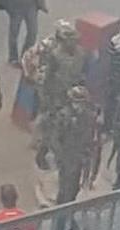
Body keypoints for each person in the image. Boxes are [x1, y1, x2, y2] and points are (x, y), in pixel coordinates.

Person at [33, 20, 87, 171]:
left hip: (73, 95)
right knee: (52, 129)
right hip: (57, 97)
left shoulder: (81, 54)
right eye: (67, 40)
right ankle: (41, 155)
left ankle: (62, 156)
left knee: (68, 128)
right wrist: (46, 99)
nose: (70, 43)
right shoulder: (55, 55)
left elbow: (82, 74)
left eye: (73, 40)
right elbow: (48, 77)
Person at [53, 86, 99, 230]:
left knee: (74, 190)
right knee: (65, 192)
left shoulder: (87, 116)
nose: (80, 105)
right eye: (77, 102)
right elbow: (55, 140)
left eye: (82, 102)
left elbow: (90, 137)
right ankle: (59, 228)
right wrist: (61, 159)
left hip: (80, 158)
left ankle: (69, 217)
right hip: (67, 159)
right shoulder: (64, 116)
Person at [0, 0, 48, 66]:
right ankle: (13, 58)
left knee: (33, 32)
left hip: (31, 5)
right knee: (14, 32)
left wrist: (42, 4)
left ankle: (25, 56)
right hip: (16, 5)